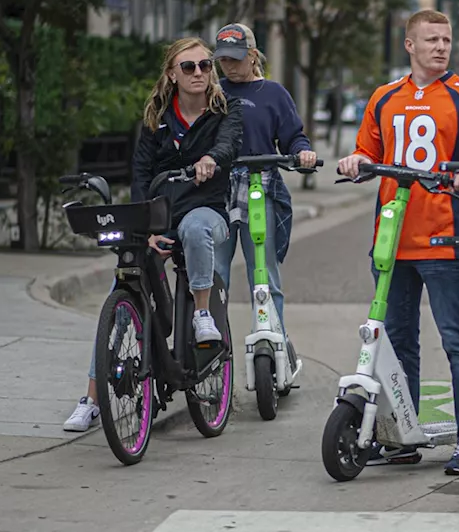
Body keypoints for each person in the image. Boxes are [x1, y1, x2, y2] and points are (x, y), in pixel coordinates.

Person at [336, 9, 459, 475]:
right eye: (430, 39)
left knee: (458, 339)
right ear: (409, 45)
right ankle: (402, 436)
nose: (440, 46)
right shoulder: (384, 97)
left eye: (446, 39)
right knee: (398, 342)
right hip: (392, 239)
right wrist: (354, 161)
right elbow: (368, 151)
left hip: (445, 237)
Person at [63, 37, 242, 431]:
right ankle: (92, 400)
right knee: (123, 289)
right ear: (172, 75)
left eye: (205, 65)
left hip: (205, 211)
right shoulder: (156, 120)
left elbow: (229, 145)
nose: (199, 73)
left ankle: (201, 315)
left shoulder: (226, 111)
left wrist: (211, 158)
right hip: (159, 216)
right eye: (189, 67)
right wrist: (143, 230)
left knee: (197, 228)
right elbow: (141, 175)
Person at [211, 22, 316, 326]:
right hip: (219, 190)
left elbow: (293, 136)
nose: (229, 66)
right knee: (215, 274)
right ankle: (213, 349)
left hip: (260, 188)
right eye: (224, 60)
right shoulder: (214, 92)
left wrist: (303, 152)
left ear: (253, 55)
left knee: (264, 273)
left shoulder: (273, 93)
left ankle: (274, 344)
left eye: (236, 58)